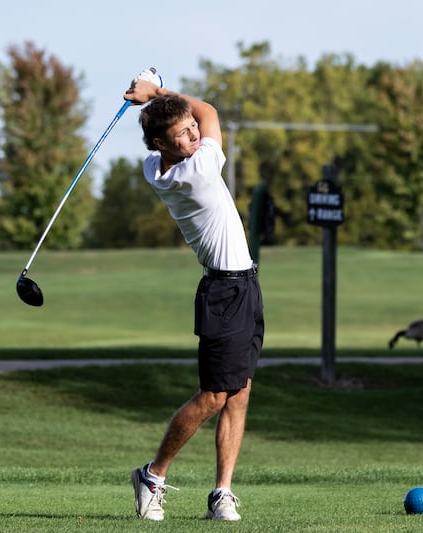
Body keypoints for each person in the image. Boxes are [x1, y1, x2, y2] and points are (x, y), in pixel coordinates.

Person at [123, 69, 265, 522]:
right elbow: (210, 111)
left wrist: (155, 102)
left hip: (243, 285)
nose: (193, 133)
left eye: (191, 131)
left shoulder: (154, 167)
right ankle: (152, 475)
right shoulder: (198, 170)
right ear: (163, 146)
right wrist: (158, 90)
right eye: (182, 135)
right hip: (224, 290)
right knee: (213, 396)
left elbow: (195, 118)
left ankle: (221, 493)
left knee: (238, 391)